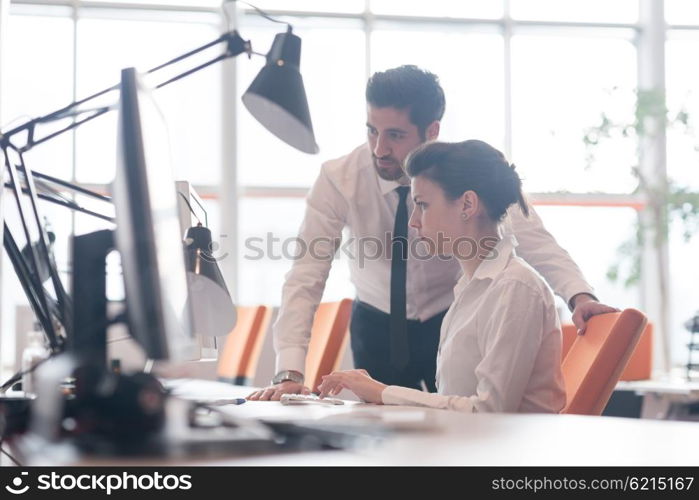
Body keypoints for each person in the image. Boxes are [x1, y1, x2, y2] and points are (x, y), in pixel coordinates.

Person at [248, 65, 616, 401]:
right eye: (372, 131)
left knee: (449, 427)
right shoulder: (338, 178)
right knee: (380, 437)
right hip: (376, 322)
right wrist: (289, 372)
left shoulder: (463, 173)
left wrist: (578, 296)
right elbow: (305, 276)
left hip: (452, 316)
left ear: (432, 131)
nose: (380, 149)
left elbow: (532, 237)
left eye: (395, 135)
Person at [318, 140, 566, 413]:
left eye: (422, 205)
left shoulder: (515, 288)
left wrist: (385, 392)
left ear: (468, 204)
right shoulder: (471, 287)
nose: (413, 221)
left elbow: (489, 410)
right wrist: (381, 393)